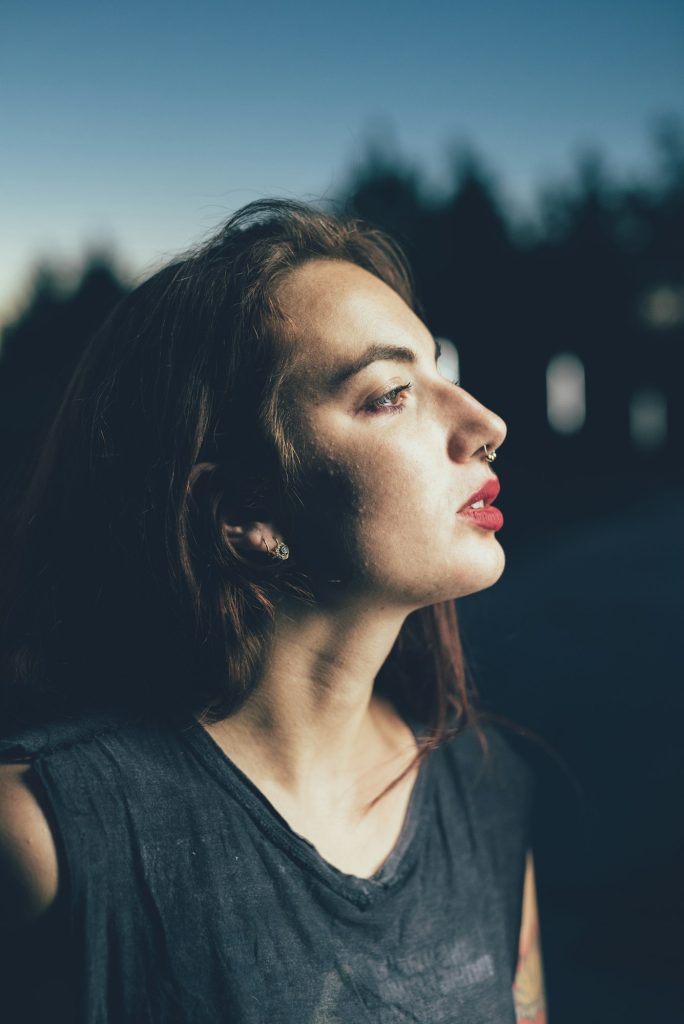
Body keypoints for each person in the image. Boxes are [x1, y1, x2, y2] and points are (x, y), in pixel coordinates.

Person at [0, 199, 545, 1022]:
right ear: (242, 515)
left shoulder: (486, 788)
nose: (485, 424)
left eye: (444, 369)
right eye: (392, 393)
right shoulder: (45, 840)